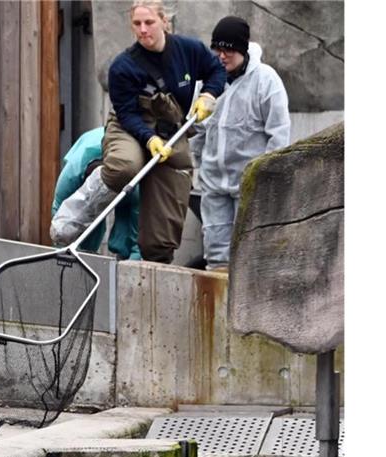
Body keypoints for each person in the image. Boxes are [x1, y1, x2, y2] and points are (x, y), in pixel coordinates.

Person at [51, 0, 226, 264]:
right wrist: (149, 139)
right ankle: (70, 221)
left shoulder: (189, 50)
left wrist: (209, 95)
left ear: (164, 22)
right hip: (130, 125)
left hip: (170, 127)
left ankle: (155, 262)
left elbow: (216, 70)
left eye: (149, 23)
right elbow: (126, 113)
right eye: (137, 24)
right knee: (125, 166)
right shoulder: (123, 66)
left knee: (163, 227)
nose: (143, 30)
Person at [190, 16, 290, 271]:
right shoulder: (207, 80)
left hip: (249, 183)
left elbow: (279, 133)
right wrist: (198, 164)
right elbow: (198, 128)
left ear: (242, 50)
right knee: (216, 256)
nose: (222, 56)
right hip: (213, 184)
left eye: (229, 50)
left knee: (250, 254)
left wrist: (265, 175)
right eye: (217, 49)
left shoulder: (266, 80)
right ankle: (220, 307)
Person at [51, 126, 141, 260]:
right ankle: (86, 256)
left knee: (127, 234)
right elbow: (61, 215)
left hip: (124, 164)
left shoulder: (134, 182)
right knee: (87, 219)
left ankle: (121, 258)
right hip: (92, 149)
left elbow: (136, 228)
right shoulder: (71, 175)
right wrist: (62, 252)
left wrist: (133, 264)